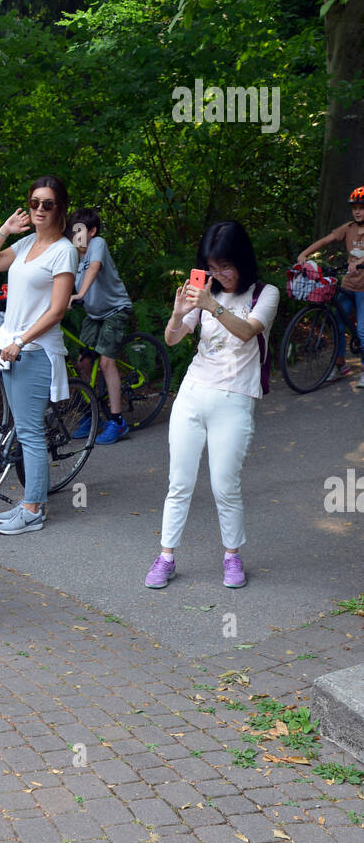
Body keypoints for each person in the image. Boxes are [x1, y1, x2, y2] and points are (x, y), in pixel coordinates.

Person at [145, 220, 279, 591]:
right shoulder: (205, 291)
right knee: (179, 483)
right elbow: (173, 340)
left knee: (225, 485)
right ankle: (166, 557)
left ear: (242, 261)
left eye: (226, 266)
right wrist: (177, 312)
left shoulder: (264, 294)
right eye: (213, 267)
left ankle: (232, 557)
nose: (220, 274)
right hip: (193, 393)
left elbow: (249, 331)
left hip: (235, 399)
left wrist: (211, 306)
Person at [0, 175, 77, 533]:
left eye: (47, 204)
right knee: (24, 429)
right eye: (34, 202)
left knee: (31, 432)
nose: (38, 210)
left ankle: (34, 508)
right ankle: (29, 501)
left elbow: (57, 310)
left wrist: (22, 341)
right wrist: (5, 229)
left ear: (60, 208)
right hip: (13, 349)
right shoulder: (25, 245)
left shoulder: (63, 250)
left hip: (33, 351)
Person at [68, 207, 134, 444]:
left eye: (79, 230)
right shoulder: (72, 254)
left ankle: (117, 422)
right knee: (83, 362)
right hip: (94, 315)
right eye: (72, 231)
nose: (75, 235)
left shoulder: (98, 244)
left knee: (106, 362)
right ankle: (92, 413)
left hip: (115, 310)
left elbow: (94, 269)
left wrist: (79, 294)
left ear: (92, 231)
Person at [297, 186, 364, 386]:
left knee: (361, 331)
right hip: (348, 284)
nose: (358, 211)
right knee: (336, 325)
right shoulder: (349, 228)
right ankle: (340, 365)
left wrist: (358, 263)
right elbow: (326, 240)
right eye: (355, 208)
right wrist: (304, 254)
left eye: (362, 207)